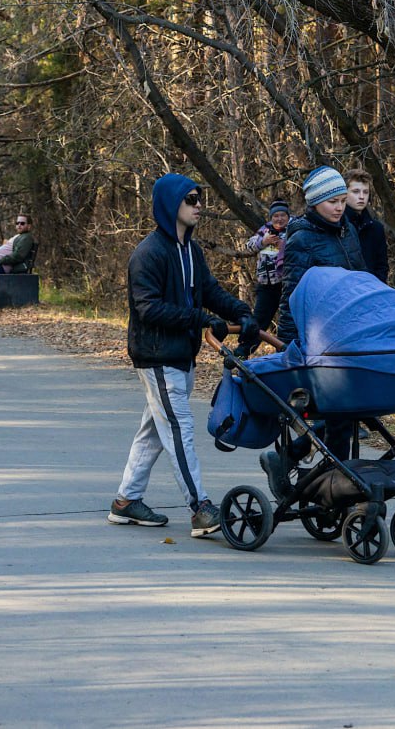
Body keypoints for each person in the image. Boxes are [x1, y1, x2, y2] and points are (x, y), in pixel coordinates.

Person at [109, 174, 255, 538]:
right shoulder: (148, 254)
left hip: (181, 354)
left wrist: (241, 313)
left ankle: (126, 501)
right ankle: (200, 507)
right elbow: (148, 309)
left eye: (200, 198)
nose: (199, 204)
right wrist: (200, 318)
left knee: (154, 431)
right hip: (157, 356)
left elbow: (209, 291)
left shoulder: (191, 250)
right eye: (191, 199)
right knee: (178, 429)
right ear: (171, 204)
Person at [269, 165, 366, 474]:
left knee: (346, 413)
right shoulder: (302, 239)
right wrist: (286, 346)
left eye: (341, 200)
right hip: (320, 338)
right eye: (332, 202)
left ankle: (302, 462)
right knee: (339, 412)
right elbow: (291, 295)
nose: (339, 208)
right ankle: (335, 478)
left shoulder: (347, 230)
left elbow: (360, 278)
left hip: (348, 333)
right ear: (314, 203)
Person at [244, 199, 291, 351]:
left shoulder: (294, 230)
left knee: (288, 322)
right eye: (275, 216)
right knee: (258, 322)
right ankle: (243, 352)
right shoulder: (264, 231)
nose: (279, 219)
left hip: (287, 285)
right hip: (266, 286)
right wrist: (263, 242)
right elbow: (248, 247)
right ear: (271, 217)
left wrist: (283, 245)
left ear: (288, 216)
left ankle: (286, 354)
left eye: (282, 215)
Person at [343, 168, 389, 284]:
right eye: (356, 191)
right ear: (344, 193)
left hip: (371, 291)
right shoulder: (336, 224)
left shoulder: (376, 228)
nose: (362, 196)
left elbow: (382, 267)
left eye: (365, 192)